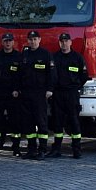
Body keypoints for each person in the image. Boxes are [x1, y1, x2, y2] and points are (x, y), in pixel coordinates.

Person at [48, 32, 89, 159]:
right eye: (62, 41)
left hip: (72, 93)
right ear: (59, 43)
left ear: (70, 42)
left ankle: (76, 149)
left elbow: (84, 76)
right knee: (57, 122)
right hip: (58, 93)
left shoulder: (77, 58)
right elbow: (51, 75)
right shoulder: (55, 57)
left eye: (66, 41)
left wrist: (75, 87)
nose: (64, 44)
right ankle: (56, 149)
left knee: (74, 121)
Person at [20, 30, 56, 160]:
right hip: (26, 93)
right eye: (30, 39)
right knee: (28, 123)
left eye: (35, 39)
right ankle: (31, 150)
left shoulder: (46, 54)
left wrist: (50, 89)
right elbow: (20, 74)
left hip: (40, 93)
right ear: (27, 40)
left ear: (39, 40)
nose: (32, 41)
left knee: (41, 122)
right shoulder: (24, 54)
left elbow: (52, 74)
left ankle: (42, 150)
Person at [0, 32, 24, 157]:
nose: (7, 43)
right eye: (5, 41)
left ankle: (16, 148)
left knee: (15, 121)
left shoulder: (18, 57)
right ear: (2, 42)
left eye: (9, 41)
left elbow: (22, 76)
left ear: (13, 42)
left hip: (13, 94)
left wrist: (17, 90)